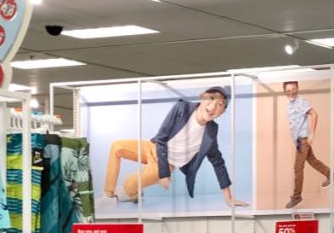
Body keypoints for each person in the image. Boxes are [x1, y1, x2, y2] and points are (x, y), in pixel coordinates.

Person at [104, 86, 248, 208]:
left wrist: (229, 198)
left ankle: (135, 193)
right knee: (117, 146)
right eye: (211, 99)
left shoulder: (210, 132)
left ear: (222, 113)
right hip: (153, 147)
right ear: (202, 97)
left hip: (165, 164)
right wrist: (164, 174)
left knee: (128, 185)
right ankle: (108, 194)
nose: (213, 107)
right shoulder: (182, 108)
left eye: (220, 105)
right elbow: (161, 137)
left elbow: (218, 163)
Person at [283, 81, 334, 209]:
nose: (291, 92)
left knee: (298, 167)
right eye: (288, 90)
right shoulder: (289, 105)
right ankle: (330, 175)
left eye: (293, 89)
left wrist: (311, 135)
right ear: (285, 91)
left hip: (303, 139)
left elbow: (314, 114)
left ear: (297, 89)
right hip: (299, 140)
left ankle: (297, 197)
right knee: (312, 160)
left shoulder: (301, 102)